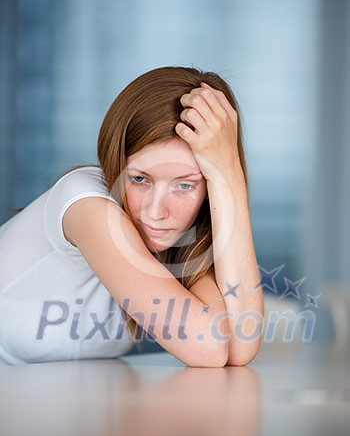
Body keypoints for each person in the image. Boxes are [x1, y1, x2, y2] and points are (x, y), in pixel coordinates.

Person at [0, 65, 264, 367]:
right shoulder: (85, 204)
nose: (155, 212)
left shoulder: (179, 245)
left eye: (184, 185)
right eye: (140, 179)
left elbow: (239, 347)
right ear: (116, 163)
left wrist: (229, 176)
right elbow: (207, 348)